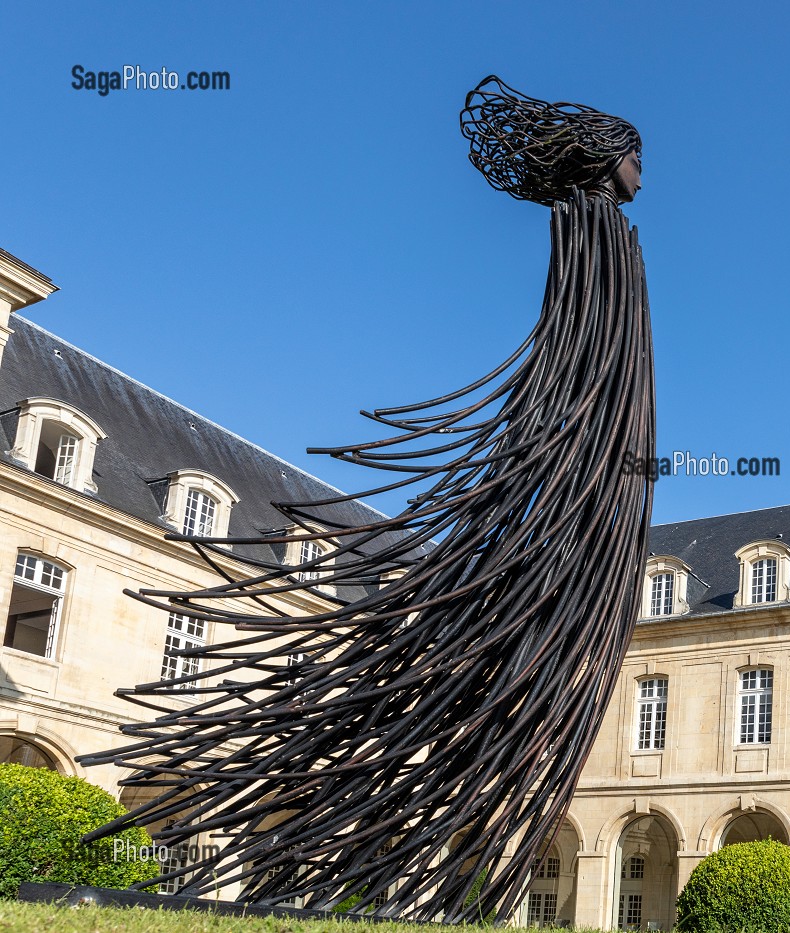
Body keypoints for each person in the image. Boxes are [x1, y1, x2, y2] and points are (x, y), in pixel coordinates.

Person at [79, 76, 655, 923]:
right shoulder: (593, 228)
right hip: (584, 464)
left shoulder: (611, 238)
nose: (647, 170)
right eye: (638, 153)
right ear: (607, 157)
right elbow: (579, 358)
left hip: (595, 476)